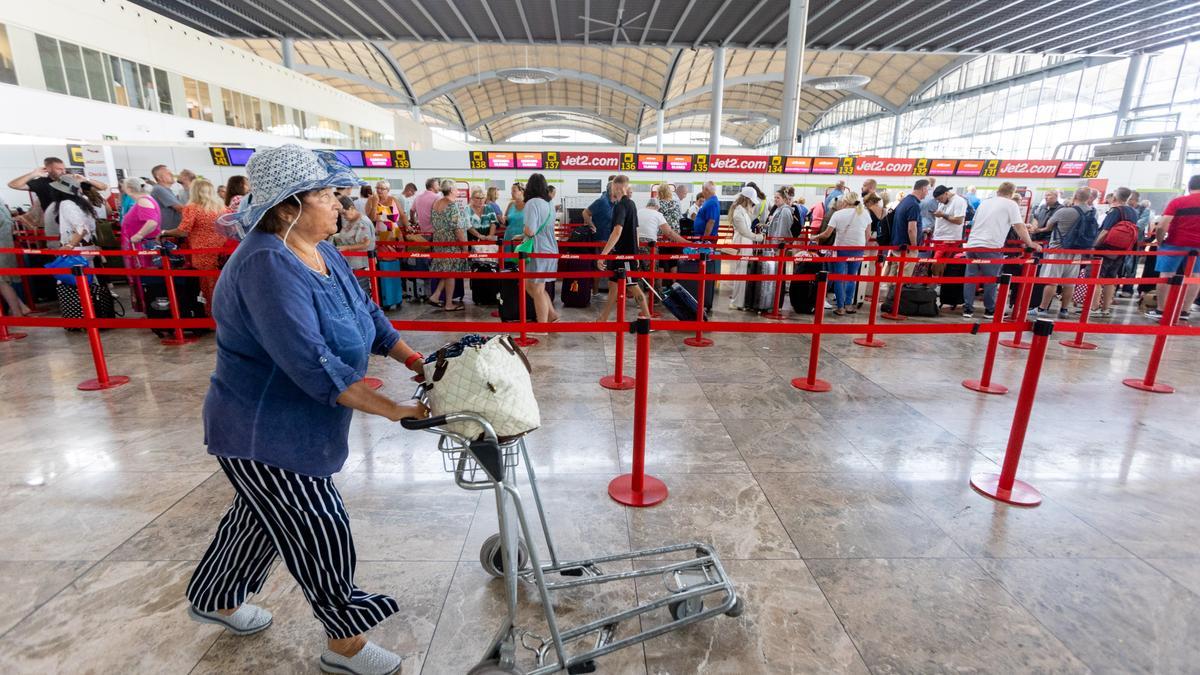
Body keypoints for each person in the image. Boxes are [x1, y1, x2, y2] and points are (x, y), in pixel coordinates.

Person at [186, 145, 426, 675]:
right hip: (262, 430)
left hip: (303, 425)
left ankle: (215, 596)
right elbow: (313, 365)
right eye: (326, 195)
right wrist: (394, 410)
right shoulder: (267, 265)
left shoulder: (320, 249)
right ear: (288, 205)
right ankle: (346, 645)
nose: (340, 205)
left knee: (261, 517)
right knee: (319, 525)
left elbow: (365, 313)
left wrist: (415, 361)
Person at [962, 182, 1041, 320]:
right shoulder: (1011, 204)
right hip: (991, 246)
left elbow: (974, 222)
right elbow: (1019, 226)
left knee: (970, 278)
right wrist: (1030, 243)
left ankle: (968, 309)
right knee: (991, 280)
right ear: (1012, 193)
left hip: (972, 244)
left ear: (998, 190)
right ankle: (990, 310)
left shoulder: (985, 203)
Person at [160, 178, 229, 313]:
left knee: (206, 286)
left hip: (202, 252)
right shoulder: (222, 208)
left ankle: (211, 316)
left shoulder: (192, 208)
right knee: (223, 284)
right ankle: (225, 314)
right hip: (222, 252)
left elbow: (183, 231)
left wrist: (164, 232)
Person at [1146, 175, 1200, 321]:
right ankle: (1185, 311)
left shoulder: (1178, 202)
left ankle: (1162, 309)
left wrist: (1159, 240)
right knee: (1195, 277)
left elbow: (1163, 224)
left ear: (1189, 186)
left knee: (1166, 275)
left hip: (1175, 244)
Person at [597, 176, 650, 322]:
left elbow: (617, 231)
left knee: (633, 287)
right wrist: (637, 254)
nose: (610, 191)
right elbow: (636, 231)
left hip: (625, 255)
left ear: (616, 188)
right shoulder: (632, 204)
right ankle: (603, 318)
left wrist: (603, 254)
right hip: (624, 254)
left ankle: (647, 318)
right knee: (613, 286)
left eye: (612, 188)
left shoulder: (620, 206)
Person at [1036, 187, 1092, 319]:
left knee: (1052, 281)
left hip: (1057, 250)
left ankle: (1042, 308)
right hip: (1077, 251)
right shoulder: (1091, 212)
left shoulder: (1064, 211)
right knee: (1069, 282)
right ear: (1088, 198)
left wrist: (1035, 230)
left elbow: (1048, 226)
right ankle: (1064, 309)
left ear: (1075, 197)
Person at [1089, 186, 1139, 317]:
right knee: (1111, 278)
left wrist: (1094, 245)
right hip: (1122, 250)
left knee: (1097, 277)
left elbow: (1105, 231)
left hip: (1106, 249)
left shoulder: (1115, 211)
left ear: (1115, 197)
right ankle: (1105, 308)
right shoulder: (1133, 212)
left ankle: (1094, 308)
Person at [521, 174, 560, 327]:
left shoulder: (532, 203)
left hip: (538, 250)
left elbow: (530, 231)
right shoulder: (549, 203)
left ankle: (542, 327)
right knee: (533, 286)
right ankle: (552, 316)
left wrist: (524, 230)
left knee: (536, 288)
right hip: (550, 249)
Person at [823, 191, 871, 315]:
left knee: (839, 278)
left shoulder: (838, 214)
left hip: (841, 249)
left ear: (845, 201)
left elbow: (827, 233)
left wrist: (814, 237)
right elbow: (868, 235)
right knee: (852, 277)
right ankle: (849, 305)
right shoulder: (865, 213)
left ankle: (841, 307)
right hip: (858, 249)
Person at [7, 157, 108, 216]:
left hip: (78, 217)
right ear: (48, 169)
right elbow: (13, 185)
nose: (63, 171)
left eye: (63, 168)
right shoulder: (41, 182)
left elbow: (102, 187)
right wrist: (33, 174)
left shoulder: (71, 179)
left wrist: (86, 179)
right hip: (55, 221)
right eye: (59, 169)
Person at [425, 179, 468, 312]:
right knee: (451, 273)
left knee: (447, 270)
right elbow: (458, 229)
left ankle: (436, 296)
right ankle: (449, 304)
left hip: (438, 239)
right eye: (456, 189)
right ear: (450, 190)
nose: (458, 191)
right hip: (450, 241)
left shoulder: (436, 203)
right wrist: (465, 247)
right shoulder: (452, 205)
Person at [727, 187, 764, 311]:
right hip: (742, 243)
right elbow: (745, 232)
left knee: (742, 272)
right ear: (747, 200)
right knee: (741, 272)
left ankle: (740, 301)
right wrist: (759, 237)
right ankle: (738, 302)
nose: (753, 204)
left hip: (745, 243)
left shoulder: (741, 210)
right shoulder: (739, 212)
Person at [331, 196, 376, 297]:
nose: (342, 216)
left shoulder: (362, 222)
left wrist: (346, 248)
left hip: (361, 266)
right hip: (351, 265)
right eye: (341, 214)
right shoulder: (350, 221)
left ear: (351, 208)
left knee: (362, 294)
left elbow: (366, 243)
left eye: (344, 213)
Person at [45, 175, 98, 250]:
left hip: (76, 248)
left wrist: (69, 245)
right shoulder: (82, 202)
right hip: (87, 245)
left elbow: (81, 228)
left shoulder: (66, 204)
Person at [0, 195, 31, 317]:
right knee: (4, 281)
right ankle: (21, 308)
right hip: (5, 245)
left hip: (2, 247)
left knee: (2, 281)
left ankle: (17, 312)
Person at [150, 165, 185, 232]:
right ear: (159, 177)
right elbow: (179, 208)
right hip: (168, 234)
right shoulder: (159, 189)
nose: (172, 174)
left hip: (172, 232)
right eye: (168, 173)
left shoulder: (166, 190)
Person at [503, 182, 527, 253]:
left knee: (522, 261)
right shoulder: (511, 204)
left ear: (521, 191)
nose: (511, 193)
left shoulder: (528, 205)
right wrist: (504, 219)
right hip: (509, 237)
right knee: (508, 262)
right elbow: (505, 219)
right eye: (511, 191)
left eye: (514, 191)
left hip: (522, 238)